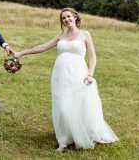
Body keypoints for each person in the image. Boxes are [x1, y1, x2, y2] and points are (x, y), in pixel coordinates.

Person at [14, 8, 118, 151]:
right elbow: (43, 46)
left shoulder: (85, 34)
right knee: (62, 105)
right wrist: (22, 53)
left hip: (79, 74)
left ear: (75, 17)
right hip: (60, 75)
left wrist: (90, 74)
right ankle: (64, 139)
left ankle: (78, 137)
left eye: (68, 16)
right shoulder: (61, 36)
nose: (66, 19)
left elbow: (93, 56)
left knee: (78, 105)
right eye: (63, 18)